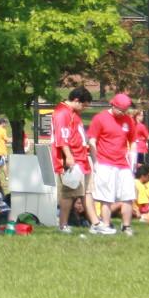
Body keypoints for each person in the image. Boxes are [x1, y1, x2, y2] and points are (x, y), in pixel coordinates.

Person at [87, 93, 146, 236]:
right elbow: (92, 140)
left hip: (123, 164)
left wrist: (133, 158)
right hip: (105, 162)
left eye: (125, 111)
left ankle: (126, 226)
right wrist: (95, 162)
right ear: (113, 105)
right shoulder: (100, 118)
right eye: (120, 110)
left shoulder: (128, 120)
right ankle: (105, 225)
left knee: (128, 195)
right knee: (106, 197)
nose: (122, 113)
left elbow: (132, 141)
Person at [49, 87, 91, 233]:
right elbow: (62, 137)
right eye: (84, 105)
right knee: (68, 192)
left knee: (74, 193)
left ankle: (87, 222)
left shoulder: (71, 112)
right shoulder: (62, 112)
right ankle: (63, 224)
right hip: (66, 159)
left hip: (77, 157)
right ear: (76, 100)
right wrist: (68, 156)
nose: (84, 109)